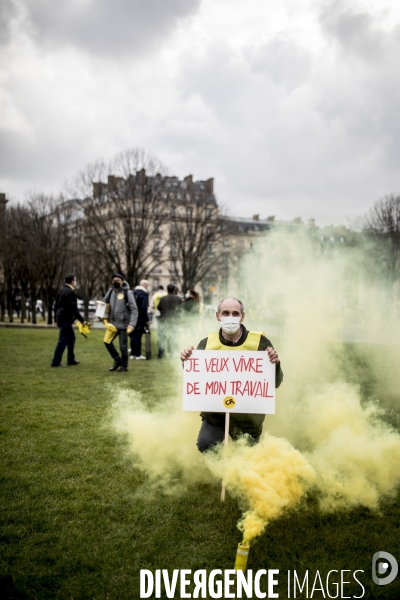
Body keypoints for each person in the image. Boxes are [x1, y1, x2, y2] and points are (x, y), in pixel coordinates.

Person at [180, 296, 283, 452]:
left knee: (247, 454)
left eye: (235, 313)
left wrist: (275, 364)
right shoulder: (206, 343)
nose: (230, 318)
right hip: (216, 415)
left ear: (242, 316)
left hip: (248, 417)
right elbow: (198, 378)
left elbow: (275, 383)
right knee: (206, 445)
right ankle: (220, 471)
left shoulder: (261, 343)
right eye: (225, 313)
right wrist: (187, 361)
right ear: (217, 316)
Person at [103, 274, 138, 372]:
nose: (116, 282)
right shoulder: (111, 291)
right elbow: (104, 302)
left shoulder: (128, 293)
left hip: (124, 325)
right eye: (114, 280)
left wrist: (132, 324)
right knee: (107, 342)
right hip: (112, 324)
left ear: (122, 282)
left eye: (118, 280)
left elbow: (134, 310)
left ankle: (124, 366)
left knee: (123, 347)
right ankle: (117, 360)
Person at [51, 274, 87, 367]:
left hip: (61, 318)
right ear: (72, 281)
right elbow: (73, 308)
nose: (75, 281)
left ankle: (70, 359)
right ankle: (55, 362)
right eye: (75, 280)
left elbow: (56, 306)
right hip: (65, 319)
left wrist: (55, 319)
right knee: (62, 341)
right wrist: (82, 321)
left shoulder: (61, 290)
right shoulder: (70, 292)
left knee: (71, 339)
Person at [157, 283, 182, 358]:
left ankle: (161, 354)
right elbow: (180, 310)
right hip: (174, 321)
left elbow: (158, 307)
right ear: (174, 290)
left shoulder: (163, 298)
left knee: (162, 337)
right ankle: (170, 353)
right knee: (172, 337)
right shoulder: (178, 298)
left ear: (167, 290)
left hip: (164, 320)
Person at [130, 279, 150, 360]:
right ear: (145, 285)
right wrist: (146, 319)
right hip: (140, 318)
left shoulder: (133, 293)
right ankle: (138, 354)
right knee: (138, 335)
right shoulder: (144, 294)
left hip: (132, 317)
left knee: (133, 335)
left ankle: (132, 354)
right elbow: (143, 308)